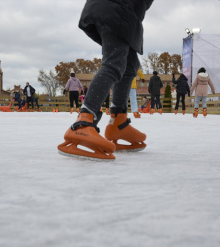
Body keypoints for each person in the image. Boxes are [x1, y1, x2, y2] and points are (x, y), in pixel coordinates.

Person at [58, 0, 153, 160]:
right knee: (114, 62)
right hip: (116, 9)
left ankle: (118, 122)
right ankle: (83, 122)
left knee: (130, 65)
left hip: (117, 10)